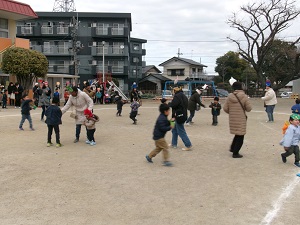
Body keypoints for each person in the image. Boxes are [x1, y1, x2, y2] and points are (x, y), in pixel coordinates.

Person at [223, 82, 252, 158]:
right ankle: (235, 153)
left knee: (237, 133)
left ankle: (233, 148)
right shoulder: (244, 96)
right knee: (241, 135)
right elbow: (249, 109)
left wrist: (232, 112)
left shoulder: (230, 96)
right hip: (241, 118)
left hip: (232, 118)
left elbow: (225, 108)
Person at [169, 86, 192, 151]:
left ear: (175, 91)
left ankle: (188, 145)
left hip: (178, 116)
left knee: (181, 131)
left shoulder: (177, 96)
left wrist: (169, 104)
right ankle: (174, 143)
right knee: (174, 130)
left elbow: (174, 104)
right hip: (181, 115)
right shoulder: (183, 96)